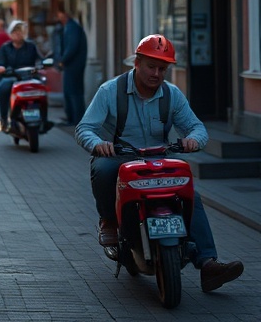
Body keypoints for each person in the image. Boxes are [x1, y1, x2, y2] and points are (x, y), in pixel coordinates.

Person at [75, 34, 244, 293]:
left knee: (191, 194)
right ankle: (109, 220)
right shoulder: (110, 91)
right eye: (151, 66)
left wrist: (192, 140)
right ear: (137, 63)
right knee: (102, 168)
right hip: (119, 158)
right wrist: (98, 144)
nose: (157, 73)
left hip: (158, 160)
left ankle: (208, 262)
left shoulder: (172, 94)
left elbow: (196, 127)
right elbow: (85, 128)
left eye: (163, 68)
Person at [0, 20, 40, 130]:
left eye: (20, 31)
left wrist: (43, 65)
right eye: (15, 31)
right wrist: (0, 68)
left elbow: (39, 60)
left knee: (41, 87)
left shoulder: (31, 46)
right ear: (10, 33)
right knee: (4, 88)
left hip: (29, 77)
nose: (18, 34)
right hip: (11, 77)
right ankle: (4, 119)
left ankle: (42, 117)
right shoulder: (5, 48)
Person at [57, 5, 89, 125]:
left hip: (73, 65)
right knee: (72, 91)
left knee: (73, 92)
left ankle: (76, 119)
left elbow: (71, 47)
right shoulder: (71, 27)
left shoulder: (72, 28)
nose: (58, 17)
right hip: (74, 64)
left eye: (59, 14)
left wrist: (63, 60)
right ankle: (73, 117)